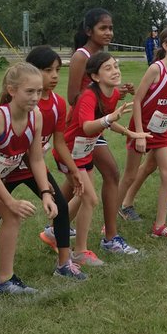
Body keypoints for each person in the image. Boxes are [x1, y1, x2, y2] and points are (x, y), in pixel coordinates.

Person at [0, 47, 89, 280]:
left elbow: (44, 151)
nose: (54, 76)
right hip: (3, 169)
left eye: (57, 70)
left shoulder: (52, 106)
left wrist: (67, 174)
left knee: (59, 205)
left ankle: (64, 263)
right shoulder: (1, 115)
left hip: (27, 166)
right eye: (48, 70)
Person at [0, 63, 57, 294]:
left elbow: (36, 159)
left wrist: (46, 193)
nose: (35, 97)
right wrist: (10, 201)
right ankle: (4, 280)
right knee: (11, 214)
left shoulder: (36, 116)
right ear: (12, 90)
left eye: (39, 91)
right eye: (29, 91)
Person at [56, 51, 145, 262]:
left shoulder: (112, 95)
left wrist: (129, 133)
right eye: (108, 68)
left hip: (84, 151)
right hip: (69, 152)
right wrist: (109, 118)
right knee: (90, 199)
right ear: (95, 76)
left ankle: (56, 231)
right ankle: (79, 251)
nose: (115, 71)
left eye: (116, 66)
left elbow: (106, 121)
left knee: (82, 198)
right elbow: (88, 126)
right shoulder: (88, 95)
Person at [67, 8, 137, 256]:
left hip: (97, 126)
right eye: (103, 28)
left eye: (111, 28)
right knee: (108, 174)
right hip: (83, 128)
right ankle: (110, 237)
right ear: (89, 31)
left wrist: (115, 92)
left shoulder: (102, 57)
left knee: (74, 183)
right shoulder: (81, 56)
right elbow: (73, 97)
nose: (109, 32)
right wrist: (99, 98)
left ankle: (57, 226)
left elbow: (101, 93)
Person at [119, 23, 167, 238]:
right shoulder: (156, 69)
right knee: (129, 176)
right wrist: (139, 134)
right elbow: (138, 101)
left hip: (161, 130)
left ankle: (160, 226)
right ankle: (109, 221)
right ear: (166, 45)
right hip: (141, 129)